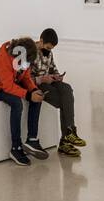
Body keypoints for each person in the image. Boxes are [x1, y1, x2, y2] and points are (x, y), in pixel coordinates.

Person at [0, 37, 48, 166]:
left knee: (37, 98)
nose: (28, 64)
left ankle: (32, 139)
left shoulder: (23, 57)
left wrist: (34, 90)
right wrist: (28, 95)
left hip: (6, 84)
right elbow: (7, 86)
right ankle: (16, 148)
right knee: (16, 103)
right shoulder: (4, 58)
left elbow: (25, 77)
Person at [32, 29, 87, 157]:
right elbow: (25, 77)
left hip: (50, 81)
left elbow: (53, 68)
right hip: (38, 84)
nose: (49, 50)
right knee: (64, 101)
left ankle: (69, 132)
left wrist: (57, 76)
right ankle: (65, 140)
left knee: (67, 88)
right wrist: (41, 79)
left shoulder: (49, 53)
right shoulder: (31, 52)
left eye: (51, 48)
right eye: (47, 47)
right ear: (41, 41)